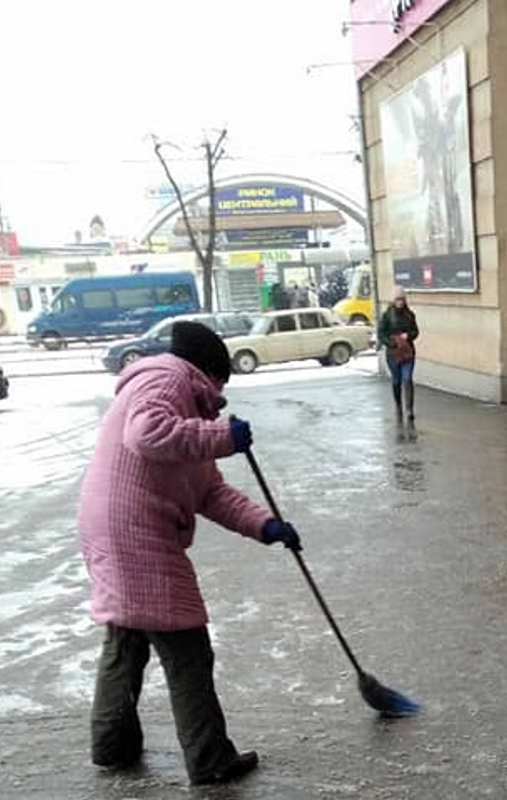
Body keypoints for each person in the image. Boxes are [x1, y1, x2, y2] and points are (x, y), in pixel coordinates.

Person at [77, 321, 302, 785]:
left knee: (127, 638)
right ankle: (210, 760)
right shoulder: (168, 380)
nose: (220, 395)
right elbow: (147, 433)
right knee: (187, 648)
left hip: (111, 525)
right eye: (221, 383)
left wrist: (267, 526)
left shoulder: (180, 395)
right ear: (210, 373)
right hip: (138, 530)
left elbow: (210, 493)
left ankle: (111, 745)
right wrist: (221, 436)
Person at [377, 286, 420, 422]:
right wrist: (391, 343)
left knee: (407, 379)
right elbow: (381, 333)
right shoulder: (387, 315)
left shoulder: (410, 314)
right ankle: (398, 405)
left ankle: (409, 409)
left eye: (402, 299)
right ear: (393, 300)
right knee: (397, 380)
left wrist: (408, 336)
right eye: (397, 299)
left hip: (408, 352)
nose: (400, 302)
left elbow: (416, 331)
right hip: (393, 354)